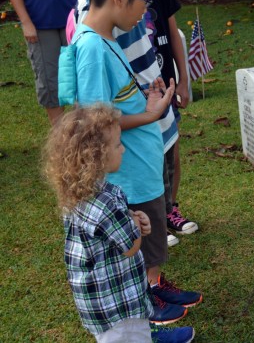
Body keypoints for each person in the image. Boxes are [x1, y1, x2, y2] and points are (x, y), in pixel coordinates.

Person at [68, 0, 202, 325]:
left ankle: (152, 287)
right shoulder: (92, 47)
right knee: (139, 243)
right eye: (144, 0)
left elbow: (116, 100)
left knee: (153, 237)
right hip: (128, 176)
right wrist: (151, 113)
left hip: (142, 167)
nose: (148, 10)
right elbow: (98, 121)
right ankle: (145, 307)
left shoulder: (109, 37)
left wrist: (146, 98)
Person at [42, 104, 195, 342]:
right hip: (118, 303)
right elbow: (131, 246)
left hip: (96, 301)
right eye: (117, 145)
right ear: (96, 156)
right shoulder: (106, 202)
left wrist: (132, 219)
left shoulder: (77, 194)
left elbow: (109, 233)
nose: (123, 149)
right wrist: (137, 226)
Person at [113, 0, 199, 244]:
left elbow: (175, 34)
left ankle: (169, 210)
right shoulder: (114, 0)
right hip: (138, 100)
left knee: (170, 150)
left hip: (164, 88)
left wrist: (184, 80)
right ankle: (151, 222)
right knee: (148, 161)